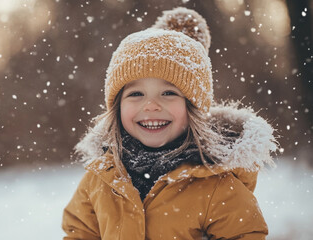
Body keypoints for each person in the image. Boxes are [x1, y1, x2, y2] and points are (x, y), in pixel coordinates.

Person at [62, 7, 277, 240]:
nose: (151, 105)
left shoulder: (216, 185)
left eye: (168, 93)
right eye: (136, 94)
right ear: (117, 108)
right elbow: (79, 232)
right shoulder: (101, 180)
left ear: (192, 108)